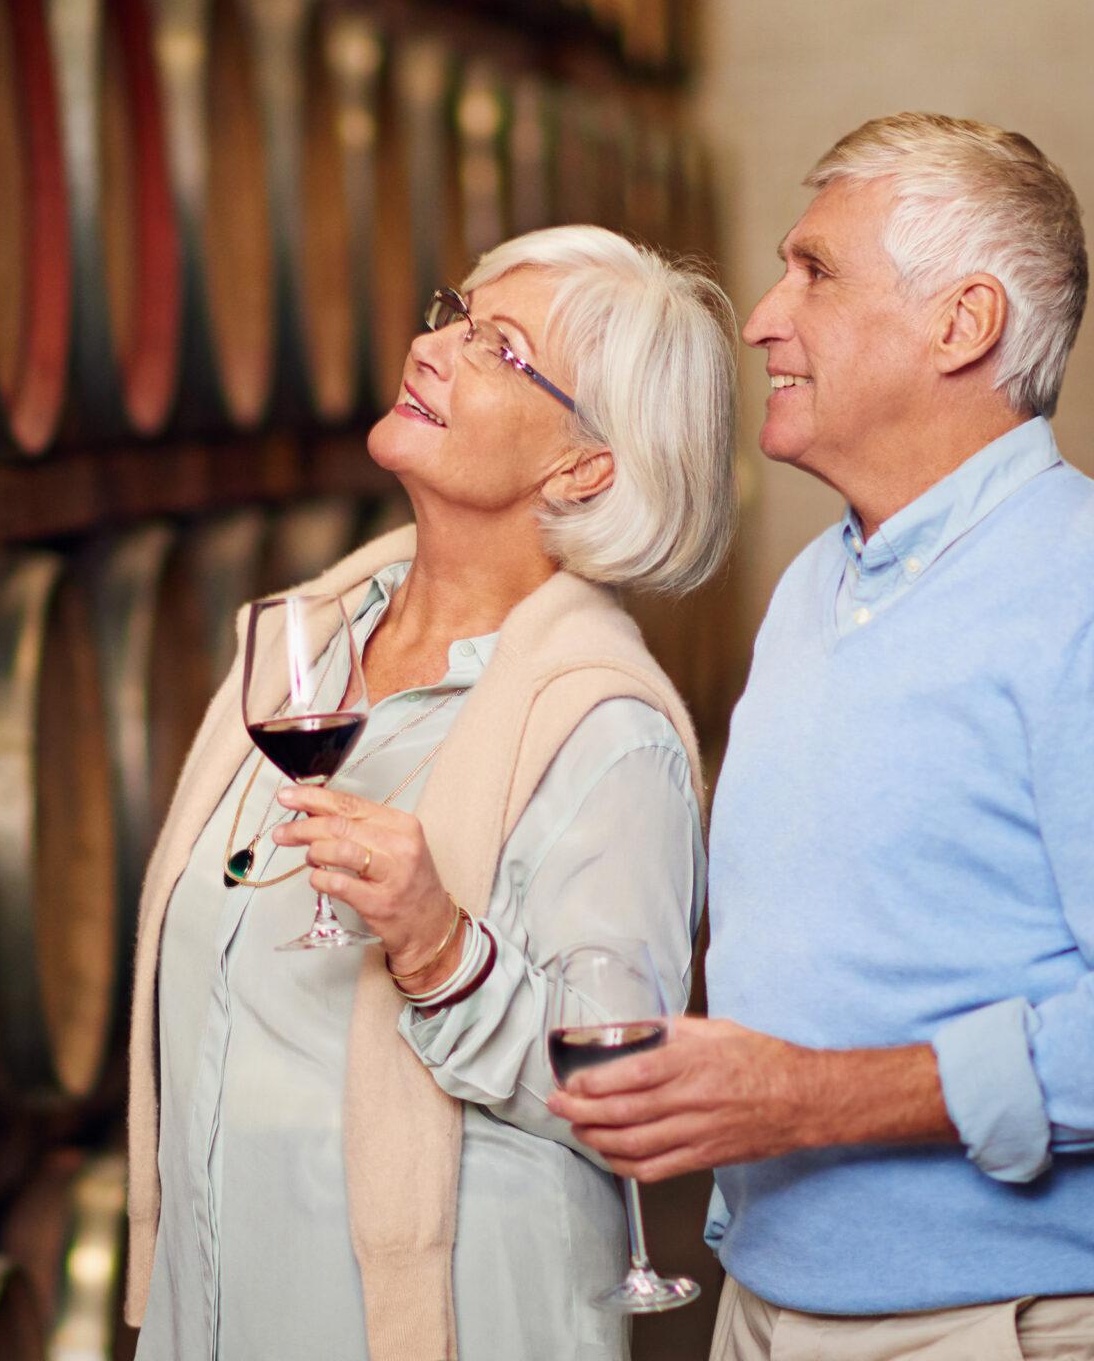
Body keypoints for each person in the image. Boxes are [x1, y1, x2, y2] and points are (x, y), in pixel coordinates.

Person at [550, 113, 1094, 1360]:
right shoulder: (815, 587)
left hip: (990, 1329)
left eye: (814, 271)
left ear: (964, 323)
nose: (761, 317)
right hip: (769, 1306)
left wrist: (807, 1098)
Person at [122, 225, 737, 1361]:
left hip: (444, 1323)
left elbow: (625, 1093)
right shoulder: (308, 648)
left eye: (499, 348)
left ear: (582, 466)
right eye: (455, 312)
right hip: (224, 1311)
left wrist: (443, 949)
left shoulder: (603, 732)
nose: (431, 346)